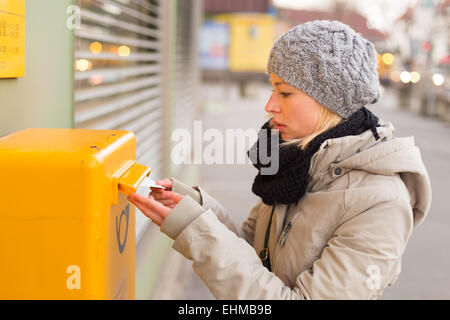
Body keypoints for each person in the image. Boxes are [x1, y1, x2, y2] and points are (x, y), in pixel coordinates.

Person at [127, 20, 432, 299]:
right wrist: (195, 208)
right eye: (272, 89)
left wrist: (196, 231)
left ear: (331, 101)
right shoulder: (297, 163)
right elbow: (255, 251)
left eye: (284, 93)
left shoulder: (380, 203)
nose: (270, 105)